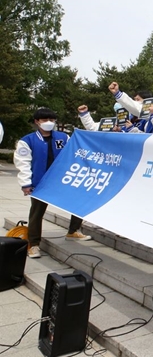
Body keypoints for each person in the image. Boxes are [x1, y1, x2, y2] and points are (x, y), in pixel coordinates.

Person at [14, 108, 91, 259]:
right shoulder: (27, 140)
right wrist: (26, 183)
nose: (49, 123)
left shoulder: (64, 137)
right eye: (44, 120)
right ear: (37, 122)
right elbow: (23, 163)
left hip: (62, 180)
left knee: (78, 202)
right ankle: (34, 244)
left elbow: (73, 155)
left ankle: (73, 231)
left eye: (52, 120)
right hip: (40, 182)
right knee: (37, 213)